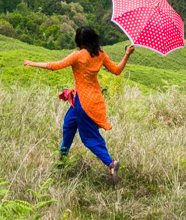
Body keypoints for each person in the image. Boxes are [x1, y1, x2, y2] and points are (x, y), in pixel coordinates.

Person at [24, 27, 133, 181]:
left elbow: (54, 66)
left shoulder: (77, 56)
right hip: (90, 99)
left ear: (79, 41)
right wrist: (127, 54)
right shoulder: (100, 54)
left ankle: (111, 163)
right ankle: (62, 158)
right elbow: (116, 71)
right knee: (68, 125)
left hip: (84, 103)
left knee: (89, 138)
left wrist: (32, 63)